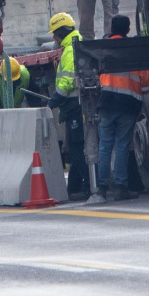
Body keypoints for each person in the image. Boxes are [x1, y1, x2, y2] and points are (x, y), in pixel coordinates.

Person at [96, 15, 149, 201]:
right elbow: (145, 83)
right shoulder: (134, 50)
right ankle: (121, 187)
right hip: (127, 104)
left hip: (106, 102)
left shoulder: (102, 48)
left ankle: (101, 188)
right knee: (122, 146)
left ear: (112, 28)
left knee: (104, 146)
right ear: (128, 30)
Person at [46, 12, 93, 199]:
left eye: (55, 34)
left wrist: (55, 98)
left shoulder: (72, 49)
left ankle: (90, 185)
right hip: (75, 104)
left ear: (62, 32)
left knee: (77, 148)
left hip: (75, 105)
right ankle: (74, 187)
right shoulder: (74, 45)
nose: (53, 38)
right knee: (76, 147)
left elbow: (67, 81)